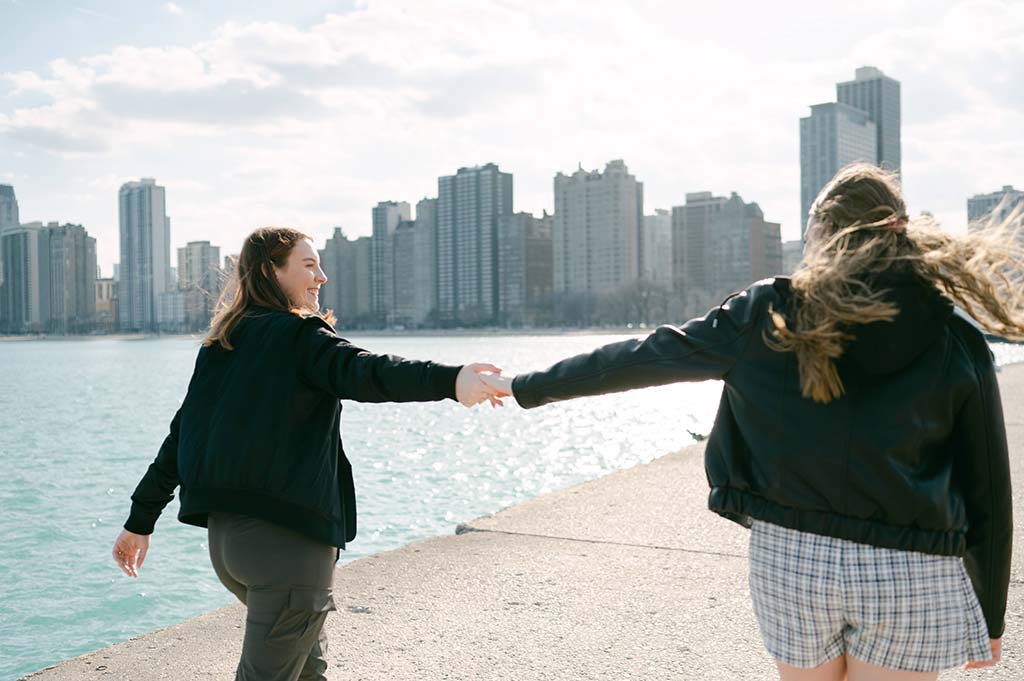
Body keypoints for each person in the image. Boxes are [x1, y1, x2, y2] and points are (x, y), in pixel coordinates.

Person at [483, 163, 1021, 680]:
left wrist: (526, 385)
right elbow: (989, 489)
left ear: (820, 232)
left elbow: (642, 357)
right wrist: (990, 613)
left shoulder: (767, 312)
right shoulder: (954, 338)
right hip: (911, 570)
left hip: (792, 561)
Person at [111, 227, 505, 681]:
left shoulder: (224, 344)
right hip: (287, 550)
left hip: (229, 548)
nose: (322, 275)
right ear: (269, 272)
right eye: (308, 265)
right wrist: (452, 380)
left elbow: (181, 439)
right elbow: (367, 372)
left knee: (307, 672)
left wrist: (140, 521)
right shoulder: (299, 335)